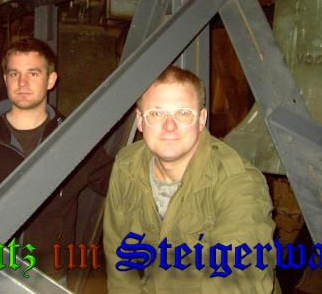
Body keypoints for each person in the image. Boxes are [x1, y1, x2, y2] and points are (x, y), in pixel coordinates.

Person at [104, 65, 278, 293]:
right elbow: (119, 260)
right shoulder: (127, 165)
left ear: (201, 119)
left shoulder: (238, 182)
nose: (169, 126)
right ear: (140, 121)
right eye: (156, 113)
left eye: (183, 113)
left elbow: (237, 279)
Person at [0, 38, 113, 284]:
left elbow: (119, 184)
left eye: (33, 73)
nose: (22, 82)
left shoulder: (74, 139)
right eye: (14, 73)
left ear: (51, 80)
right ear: (5, 79)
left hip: (49, 278)